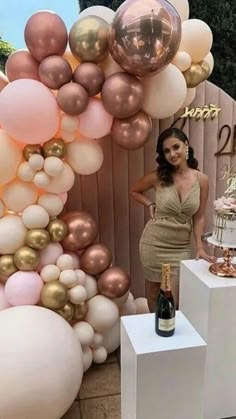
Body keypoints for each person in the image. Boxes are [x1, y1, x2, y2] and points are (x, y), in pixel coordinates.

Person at [130, 127, 216, 312]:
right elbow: (134, 190)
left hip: (180, 247)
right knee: (153, 293)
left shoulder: (202, 180)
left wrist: (199, 247)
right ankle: (156, 331)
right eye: (166, 151)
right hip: (153, 243)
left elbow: (199, 216)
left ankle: (170, 333)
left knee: (174, 299)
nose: (172, 154)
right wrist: (149, 203)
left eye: (176, 147)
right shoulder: (158, 177)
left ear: (186, 146)